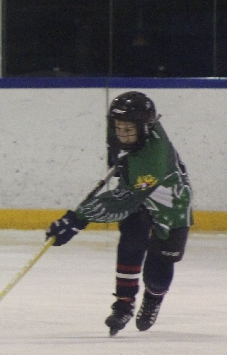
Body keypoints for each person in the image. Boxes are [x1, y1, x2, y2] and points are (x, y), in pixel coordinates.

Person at [46, 91, 192, 336]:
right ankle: (124, 303)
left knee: (157, 275)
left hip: (171, 205)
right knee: (130, 242)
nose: (122, 134)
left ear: (145, 128)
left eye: (128, 129)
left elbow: (123, 200)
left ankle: (153, 297)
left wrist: (78, 219)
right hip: (137, 193)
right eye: (118, 128)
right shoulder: (127, 132)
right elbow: (122, 169)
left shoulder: (153, 160)